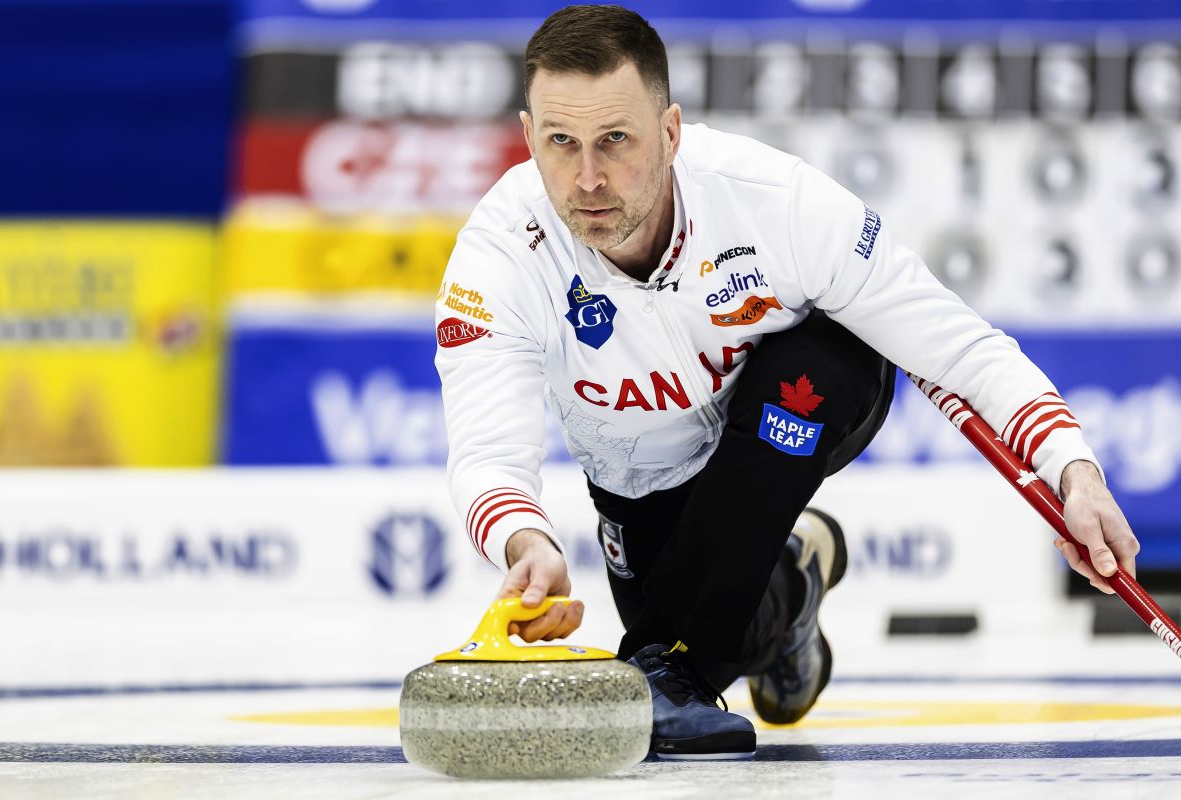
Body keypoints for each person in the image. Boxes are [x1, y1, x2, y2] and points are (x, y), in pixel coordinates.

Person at [434, 4, 1139, 760]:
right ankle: (793, 581)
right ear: (528, 136)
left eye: (616, 140)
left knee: (670, 659)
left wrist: (1074, 469)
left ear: (670, 133)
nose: (589, 177)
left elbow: (957, 348)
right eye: (560, 144)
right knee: (717, 614)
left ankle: (675, 664)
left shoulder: (777, 201)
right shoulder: (498, 254)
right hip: (643, 477)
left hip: (801, 399)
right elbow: (488, 454)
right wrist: (524, 540)